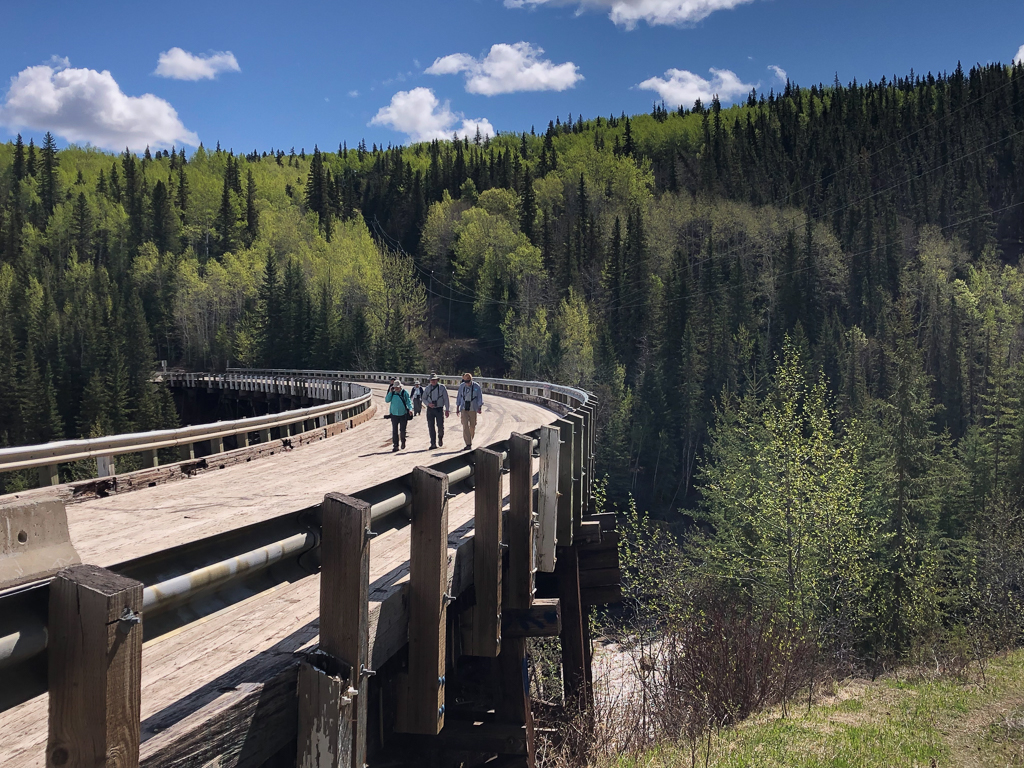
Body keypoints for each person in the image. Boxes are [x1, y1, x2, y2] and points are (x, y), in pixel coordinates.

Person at [455, 372, 483, 450]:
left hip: (473, 408)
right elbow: (459, 397)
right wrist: (457, 407)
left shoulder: (476, 386)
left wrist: (479, 407)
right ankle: (468, 443)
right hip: (464, 407)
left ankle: (470, 439)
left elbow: (480, 397)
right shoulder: (461, 387)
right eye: (465, 381)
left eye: (468, 381)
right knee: (465, 425)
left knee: (473, 425)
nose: (467, 383)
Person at [384, 378, 414, 452]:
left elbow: (408, 401)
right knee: (394, 431)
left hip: (403, 414)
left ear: (400, 387)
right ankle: (395, 446)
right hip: (394, 414)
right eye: (395, 387)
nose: (396, 388)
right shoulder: (392, 393)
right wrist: (390, 392)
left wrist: (410, 409)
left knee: (402, 430)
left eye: (397, 387)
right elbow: (387, 400)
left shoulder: (404, 392)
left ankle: (403, 441)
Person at [423, 373, 450, 449]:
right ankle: (433, 443)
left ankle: (440, 437)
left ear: (437, 380)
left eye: (434, 380)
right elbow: (423, 398)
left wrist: (447, 409)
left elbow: (446, 399)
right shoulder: (427, 388)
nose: (433, 381)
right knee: (431, 426)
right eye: (432, 380)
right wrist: (428, 404)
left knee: (440, 426)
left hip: (439, 409)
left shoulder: (442, 388)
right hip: (430, 409)